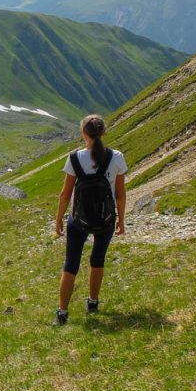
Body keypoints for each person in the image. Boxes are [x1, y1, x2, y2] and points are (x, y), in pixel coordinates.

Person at [53, 114, 127, 325]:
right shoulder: (116, 157)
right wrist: (121, 220)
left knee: (71, 264)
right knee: (98, 259)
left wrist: (58, 219)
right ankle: (93, 302)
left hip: (78, 219)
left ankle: (62, 313)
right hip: (106, 219)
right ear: (104, 132)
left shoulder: (75, 158)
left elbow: (65, 194)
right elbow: (120, 194)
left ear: (83, 133)